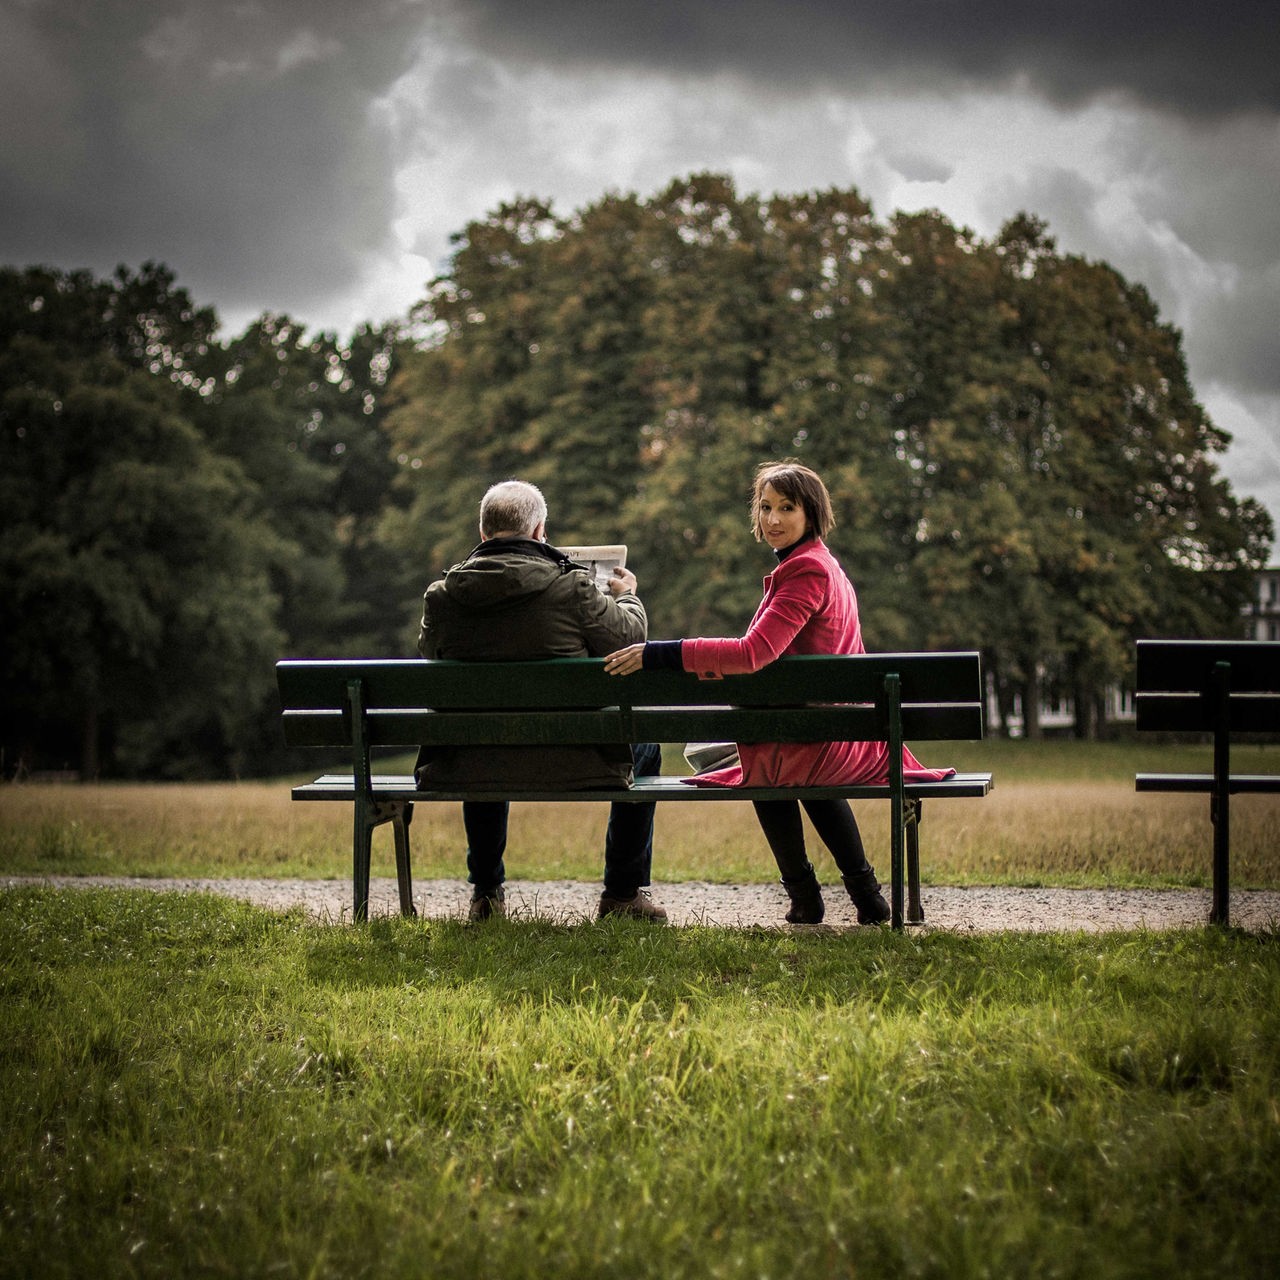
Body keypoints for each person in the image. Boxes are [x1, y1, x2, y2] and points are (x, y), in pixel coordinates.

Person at [604, 460, 953, 926]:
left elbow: (753, 653)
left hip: (828, 739)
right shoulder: (823, 565)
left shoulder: (806, 571)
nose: (772, 519)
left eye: (786, 508)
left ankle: (814, 896)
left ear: (811, 513)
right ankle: (860, 896)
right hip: (835, 730)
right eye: (765, 507)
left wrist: (658, 653)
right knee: (769, 751)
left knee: (766, 763)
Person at [417, 479, 667, 923]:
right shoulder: (571, 588)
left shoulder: (443, 597)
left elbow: (429, 650)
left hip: (468, 758)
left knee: (482, 728)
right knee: (644, 743)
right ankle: (623, 894)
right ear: (539, 532)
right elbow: (630, 638)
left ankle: (487, 893)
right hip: (577, 756)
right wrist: (627, 595)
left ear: (483, 534)